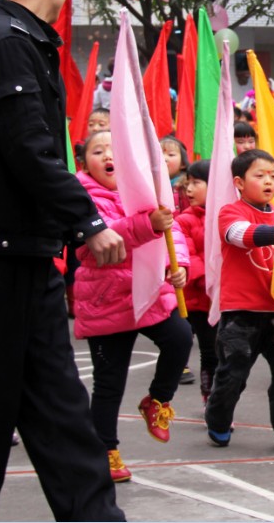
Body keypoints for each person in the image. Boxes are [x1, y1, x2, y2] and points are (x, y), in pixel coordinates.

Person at [0, 0, 126, 522]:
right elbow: (29, 149)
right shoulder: (6, 43)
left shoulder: (16, 41)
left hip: (25, 255)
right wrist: (87, 221)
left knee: (62, 413)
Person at [74, 130, 194, 482]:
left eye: (115, 149)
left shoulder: (145, 189)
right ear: (85, 163)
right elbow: (96, 244)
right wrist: (146, 224)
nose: (108, 156)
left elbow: (174, 232)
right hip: (106, 300)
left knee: (180, 338)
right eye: (98, 151)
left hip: (148, 289)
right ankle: (106, 452)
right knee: (109, 383)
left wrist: (179, 265)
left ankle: (157, 400)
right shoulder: (80, 197)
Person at [205, 149, 274, 453]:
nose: (268, 181)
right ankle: (218, 420)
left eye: (273, 176)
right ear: (239, 182)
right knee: (232, 374)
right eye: (259, 175)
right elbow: (240, 235)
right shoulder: (230, 212)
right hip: (241, 312)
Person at [175, 159, 219, 408]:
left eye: (196, 183)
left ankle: (223, 395)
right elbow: (189, 256)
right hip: (200, 300)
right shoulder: (184, 220)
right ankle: (210, 396)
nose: (189, 189)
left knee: (229, 353)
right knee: (209, 350)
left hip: (227, 298)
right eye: (188, 183)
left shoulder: (228, 215)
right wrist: (208, 280)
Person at [161, 135, 191, 215]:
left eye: (171, 155)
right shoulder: (150, 186)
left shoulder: (187, 186)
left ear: (183, 163)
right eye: (159, 154)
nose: (164, 158)